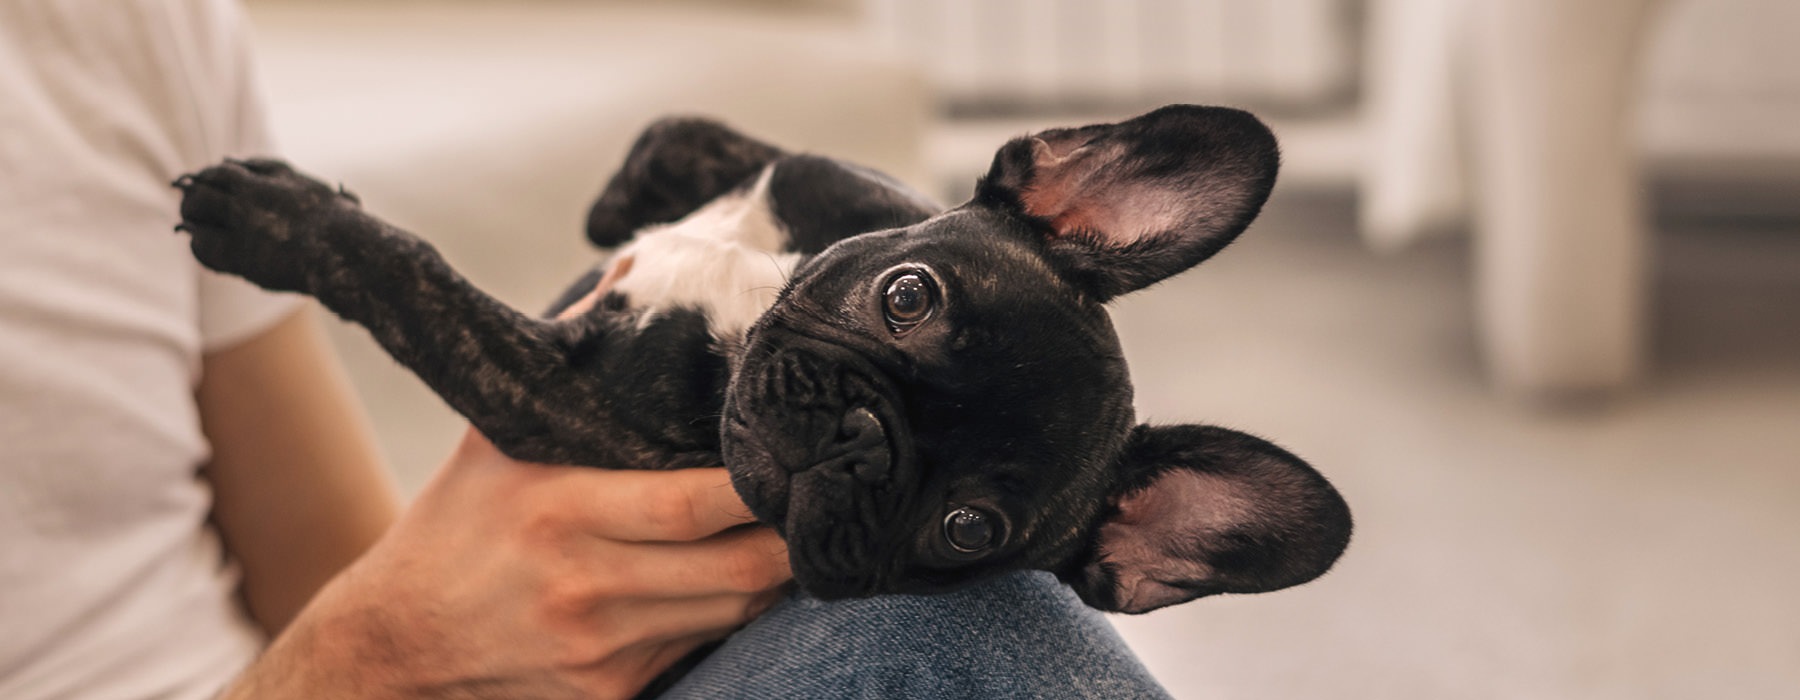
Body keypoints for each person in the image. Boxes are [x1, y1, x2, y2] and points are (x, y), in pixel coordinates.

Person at [0, 2, 1171, 698]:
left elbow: (319, 549)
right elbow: (366, 630)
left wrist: (464, 605)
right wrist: (374, 655)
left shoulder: (116, 25)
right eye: (903, 302)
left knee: (984, 617)